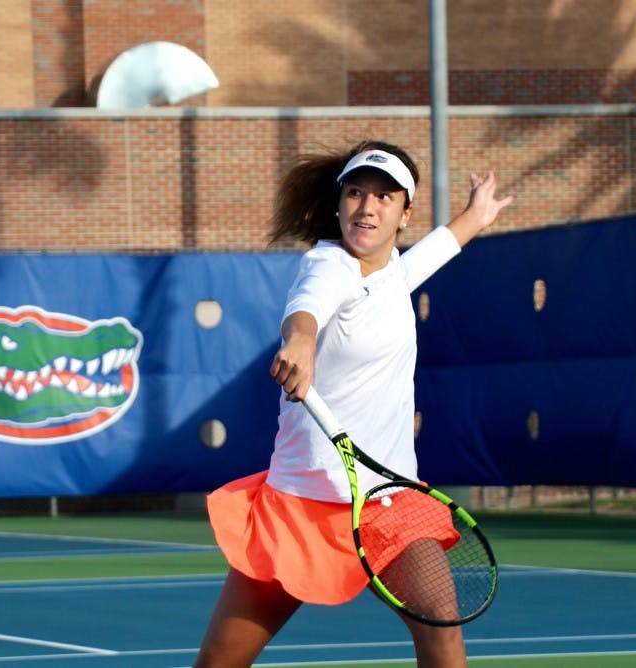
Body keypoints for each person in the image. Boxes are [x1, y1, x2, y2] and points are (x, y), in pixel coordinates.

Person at [194, 139, 512, 668]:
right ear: (340, 203)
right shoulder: (328, 265)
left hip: (391, 503)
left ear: (404, 213)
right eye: (356, 193)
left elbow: (437, 248)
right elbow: (306, 309)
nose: (367, 207)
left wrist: (475, 215)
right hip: (304, 504)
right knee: (219, 663)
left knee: (441, 625)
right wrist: (299, 342)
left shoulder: (394, 275)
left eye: (385, 197)